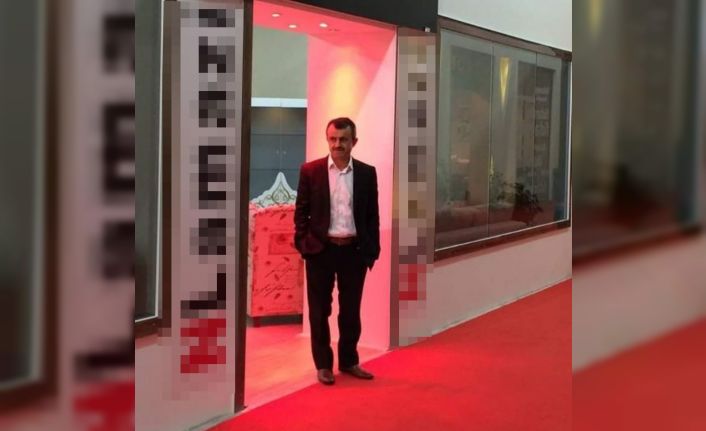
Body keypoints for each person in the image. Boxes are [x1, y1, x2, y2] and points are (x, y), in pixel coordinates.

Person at [294, 117, 380, 385]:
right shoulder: (311, 171)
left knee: (351, 310)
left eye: (343, 139)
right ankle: (323, 365)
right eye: (333, 139)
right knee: (319, 311)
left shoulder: (366, 173)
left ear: (354, 141)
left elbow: (372, 216)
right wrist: (304, 244)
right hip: (321, 250)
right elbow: (301, 212)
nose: (337, 144)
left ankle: (349, 360)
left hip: (354, 251)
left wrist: (372, 250)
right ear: (327, 140)